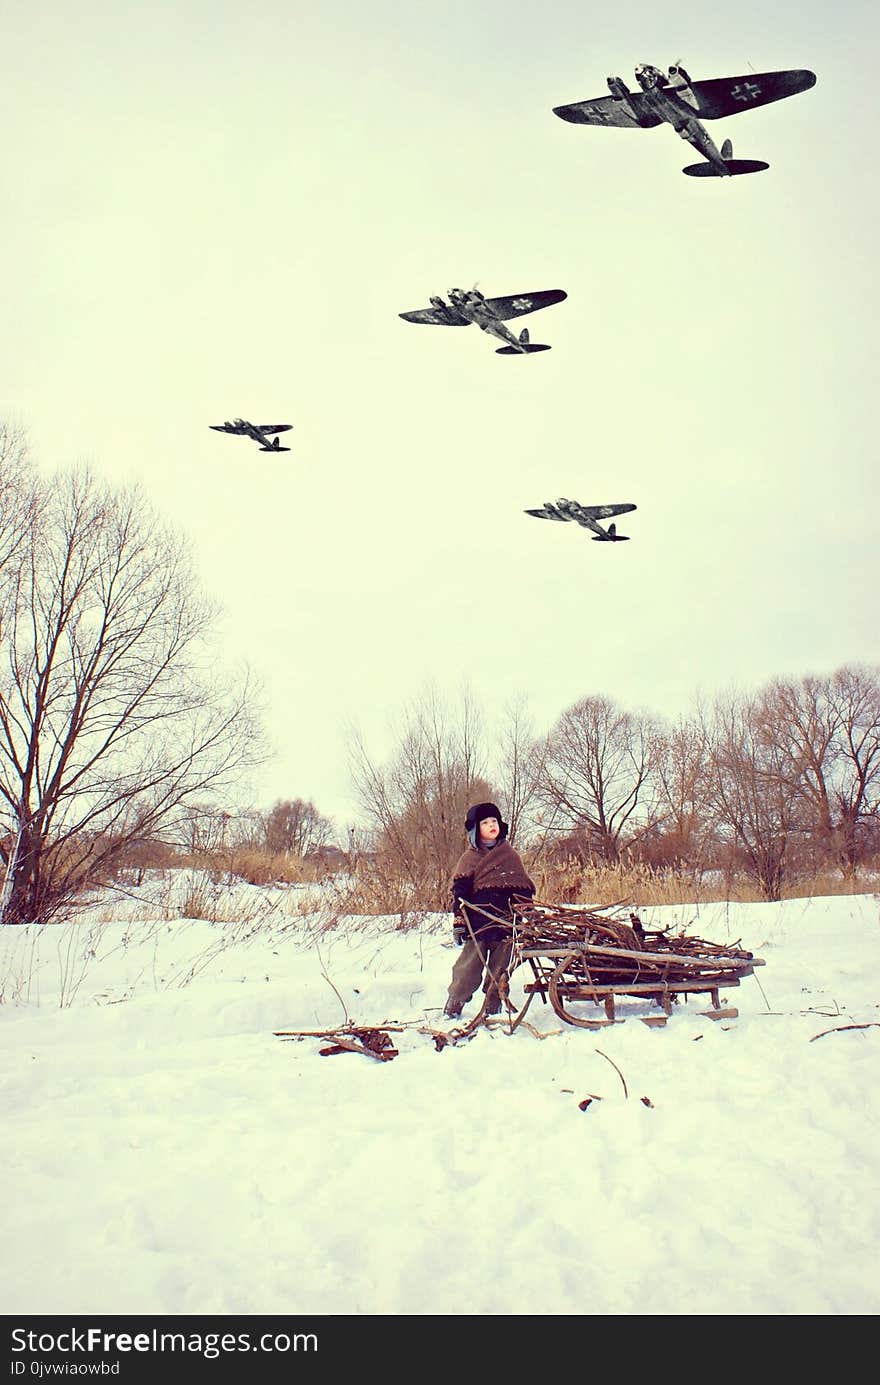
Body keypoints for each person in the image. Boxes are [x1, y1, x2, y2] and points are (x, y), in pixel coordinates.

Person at [443, 801, 535, 1019]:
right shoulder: (469, 859)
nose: (492, 825)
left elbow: (522, 890)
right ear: (476, 829)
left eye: (494, 821)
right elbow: (460, 895)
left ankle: (493, 1006)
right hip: (478, 922)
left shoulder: (510, 856)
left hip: (505, 922)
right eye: (485, 822)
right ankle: (455, 1003)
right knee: (469, 967)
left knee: (500, 968)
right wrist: (459, 921)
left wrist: (527, 914)